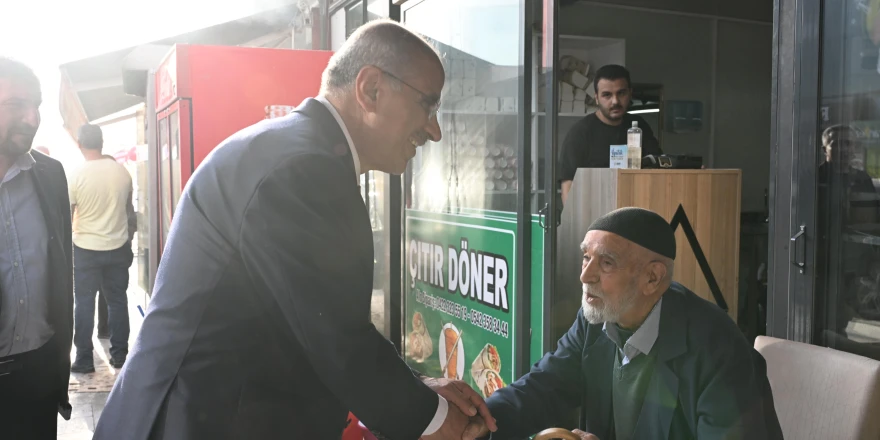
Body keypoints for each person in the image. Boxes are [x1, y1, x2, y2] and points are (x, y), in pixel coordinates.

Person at [93, 19, 497, 440]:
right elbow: (336, 340)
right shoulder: (304, 167)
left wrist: (417, 391)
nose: (434, 131)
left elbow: (315, 321)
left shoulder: (299, 152)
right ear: (371, 89)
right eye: (428, 106)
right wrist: (433, 419)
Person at [472, 207, 783, 440]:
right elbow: (544, 387)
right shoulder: (597, 319)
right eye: (586, 257)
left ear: (652, 278)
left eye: (606, 262)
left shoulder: (719, 349)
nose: (585, 276)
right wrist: (478, 421)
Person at [0, 57, 74, 438]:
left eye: (37, 106)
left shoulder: (50, 175)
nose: (32, 119)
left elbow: (63, 273)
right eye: (16, 105)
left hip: (40, 375)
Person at [68, 124, 136, 373]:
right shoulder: (123, 173)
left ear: (80, 144)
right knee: (117, 301)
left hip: (85, 248)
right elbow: (128, 210)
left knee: (84, 303)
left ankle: (84, 359)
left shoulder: (76, 175)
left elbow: (69, 213)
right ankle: (119, 356)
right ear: (102, 143)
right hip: (118, 247)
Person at [558, 65, 663, 203]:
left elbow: (660, 167)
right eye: (607, 95)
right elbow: (568, 188)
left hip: (635, 209)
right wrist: (578, 223)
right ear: (596, 98)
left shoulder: (638, 126)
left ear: (630, 93)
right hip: (595, 214)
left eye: (621, 93)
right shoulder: (580, 133)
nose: (615, 101)